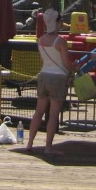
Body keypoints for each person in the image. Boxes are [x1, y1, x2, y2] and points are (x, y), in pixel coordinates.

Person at [25, 8, 76, 155]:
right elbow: (66, 64)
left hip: (44, 75)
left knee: (38, 112)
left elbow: (44, 60)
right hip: (58, 77)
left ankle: (29, 143)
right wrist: (74, 67)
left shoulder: (41, 39)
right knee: (53, 114)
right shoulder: (60, 41)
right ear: (58, 23)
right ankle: (48, 147)